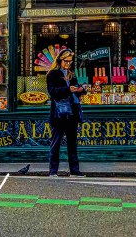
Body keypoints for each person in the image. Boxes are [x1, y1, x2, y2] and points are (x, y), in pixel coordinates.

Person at [46, 48, 87, 177]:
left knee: (72, 144)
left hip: (72, 114)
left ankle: (74, 171)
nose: (68, 64)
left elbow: (76, 88)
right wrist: (68, 89)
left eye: (70, 62)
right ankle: (53, 171)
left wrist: (81, 90)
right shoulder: (52, 74)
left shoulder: (71, 74)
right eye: (66, 61)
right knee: (56, 143)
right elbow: (53, 92)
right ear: (60, 60)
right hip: (59, 114)